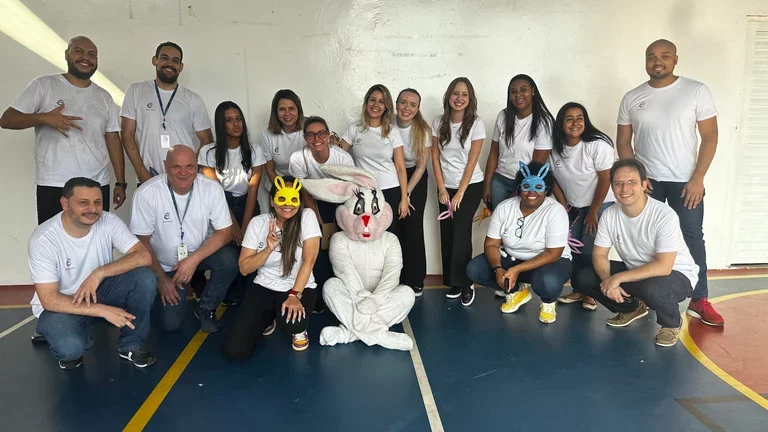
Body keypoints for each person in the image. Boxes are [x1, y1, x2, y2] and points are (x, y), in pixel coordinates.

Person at [616, 39, 722, 326]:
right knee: (642, 238)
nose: (657, 61)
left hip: (685, 182)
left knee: (691, 236)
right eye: (651, 56)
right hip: (647, 184)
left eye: (664, 56)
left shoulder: (696, 90)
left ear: (675, 59)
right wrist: (637, 178)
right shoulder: (632, 97)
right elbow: (623, 141)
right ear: (645, 61)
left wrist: (698, 178)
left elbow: (710, 136)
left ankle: (699, 300)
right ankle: (640, 298)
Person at [28, 177, 157, 370]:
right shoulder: (43, 239)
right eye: (83, 202)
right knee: (70, 351)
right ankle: (55, 330)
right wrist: (101, 310)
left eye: (97, 202)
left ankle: (131, 344)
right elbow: (49, 300)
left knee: (144, 277)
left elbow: (143, 256)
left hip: (100, 293)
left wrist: (99, 273)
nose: (93, 209)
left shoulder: (108, 221)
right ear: (65, 203)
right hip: (64, 305)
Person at [571, 159, 699, 347]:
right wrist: (608, 281)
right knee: (584, 277)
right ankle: (632, 308)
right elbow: (599, 255)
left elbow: (664, 267)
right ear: (612, 187)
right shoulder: (609, 214)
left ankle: (670, 324)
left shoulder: (663, 215)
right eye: (618, 183)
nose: (625, 189)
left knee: (654, 289)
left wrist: (617, 278)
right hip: (637, 271)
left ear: (644, 184)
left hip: (676, 274)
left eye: (631, 182)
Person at [0, 36, 127, 224]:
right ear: (67, 55)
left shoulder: (104, 96)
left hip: (97, 184)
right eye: (79, 51)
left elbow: (113, 139)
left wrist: (121, 182)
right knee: (54, 240)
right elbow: (6, 120)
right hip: (55, 184)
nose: (86, 58)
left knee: (96, 240)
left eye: (92, 54)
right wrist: (43, 117)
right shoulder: (44, 85)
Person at [129, 145, 239, 333]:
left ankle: (206, 307)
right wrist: (161, 278)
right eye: (176, 167)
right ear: (166, 166)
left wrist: (192, 261)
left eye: (189, 166)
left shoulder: (211, 189)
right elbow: (141, 242)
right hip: (164, 266)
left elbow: (225, 232)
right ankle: (156, 293)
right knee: (170, 325)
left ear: (197, 166)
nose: (183, 172)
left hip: (198, 257)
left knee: (229, 260)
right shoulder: (147, 193)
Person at [221, 176, 321, 359]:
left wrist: (294, 295)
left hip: (299, 288)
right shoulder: (258, 223)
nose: (287, 204)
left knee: (292, 323)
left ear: (299, 202)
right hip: (265, 286)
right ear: (272, 201)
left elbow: (309, 261)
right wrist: (267, 249)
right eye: (282, 198)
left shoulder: (307, 217)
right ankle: (268, 317)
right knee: (235, 351)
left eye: (293, 199)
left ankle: (298, 329)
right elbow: (244, 268)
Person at [466, 161, 572, 323]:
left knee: (548, 282)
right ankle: (516, 291)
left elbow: (553, 254)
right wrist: (498, 268)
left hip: (549, 262)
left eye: (538, 187)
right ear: (519, 188)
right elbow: (491, 244)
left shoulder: (556, 211)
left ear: (547, 190)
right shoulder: (504, 208)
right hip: (513, 258)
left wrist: (516, 270)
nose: (531, 192)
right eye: (526, 186)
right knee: (475, 269)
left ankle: (548, 302)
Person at [550, 102, 616, 310]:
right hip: (575, 206)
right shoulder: (555, 148)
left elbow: (605, 179)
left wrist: (594, 211)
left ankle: (590, 293)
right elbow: (552, 180)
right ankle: (578, 290)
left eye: (580, 118)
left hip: (600, 204)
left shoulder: (597, 144)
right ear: (561, 124)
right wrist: (564, 206)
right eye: (569, 119)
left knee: (589, 249)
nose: (575, 123)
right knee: (574, 248)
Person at [199, 101, 265, 305]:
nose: (236, 124)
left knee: (250, 249)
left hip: (247, 205)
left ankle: (251, 296)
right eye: (229, 120)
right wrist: (233, 225)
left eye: (239, 119)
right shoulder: (208, 152)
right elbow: (215, 191)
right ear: (221, 124)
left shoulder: (254, 150)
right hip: (221, 206)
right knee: (230, 254)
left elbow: (253, 189)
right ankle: (231, 295)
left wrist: (244, 225)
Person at [120, 41, 213, 183]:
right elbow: (127, 134)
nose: (170, 63)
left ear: (181, 67)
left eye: (175, 60)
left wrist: (190, 169)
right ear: (154, 60)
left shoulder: (193, 99)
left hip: (184, 180)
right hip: (148, 177)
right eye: (164, 58)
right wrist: (141, 171)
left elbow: (207, 140)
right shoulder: (136, 91)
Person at [288, 116, 354, 312]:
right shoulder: (298, 159)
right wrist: (318, 220)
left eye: (321, 133)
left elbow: (348, 190)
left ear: (328, 134)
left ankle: (345, 295)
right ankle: (320, 297)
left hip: (339, 202)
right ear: (305, 138)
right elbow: (304, 191)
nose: (317, 138)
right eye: (311, 135)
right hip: (313, 204)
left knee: (342, 248)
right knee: (317, 249)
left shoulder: (343, 157)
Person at [432, 77, 485, 306]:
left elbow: (472, 161)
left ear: (470, 99)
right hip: (446, 186)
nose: (459, 98)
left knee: (461, 232)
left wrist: (460, 193)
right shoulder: (438, 122)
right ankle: (454, 281)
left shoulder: (476, 124)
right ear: (448, 96)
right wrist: (442, 188)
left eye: (464, 94)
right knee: (447, 231)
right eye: (455, 93)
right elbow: (435, 157)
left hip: (469, 186)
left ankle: (466, 283)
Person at [341, 84, 410, 236]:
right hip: (363, 191)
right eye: (372, 100)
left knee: (387, 236)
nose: (376, 105)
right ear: (366, 103)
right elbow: (338, 155)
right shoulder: (354, 128)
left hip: (389, 190)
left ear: (386, 107)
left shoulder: (392, 131)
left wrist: (404, 198)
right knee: (363, 235)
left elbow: (400, 168)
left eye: (381, 101)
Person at [483, 74, 553, 210]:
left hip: (526, 184)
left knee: (520, 220)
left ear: (533, 91)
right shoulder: (503, 116)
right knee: (500, 219)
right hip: (500, 181)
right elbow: (493, 153)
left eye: (523, 90)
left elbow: (537, 165)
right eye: (513, 91)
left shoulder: (543, 122)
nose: (518, 95)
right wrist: (486, 185)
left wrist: (523, 189)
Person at [393, 88, 432, 296]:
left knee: (413, 228)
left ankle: (416, 279)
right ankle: (396, 278)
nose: (407, 108)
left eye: (412, 104)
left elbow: (420, 167)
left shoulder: (423, 131)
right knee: (393, 227)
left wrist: (405, 194)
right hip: (392, 175)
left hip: (415, 179)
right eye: (403, 102)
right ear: (396, 104)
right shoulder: (387, 124)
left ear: (417, 109)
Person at [260, 89, 306, 204]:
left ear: (298, 110)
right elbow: (270, 169)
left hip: (304, 186)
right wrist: (285, 192)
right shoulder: (267, 135)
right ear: (276, 112)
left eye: (291, 108)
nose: (287, 113)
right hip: (278, 187)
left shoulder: (308, 128)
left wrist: (298, 190)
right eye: (282, 109)